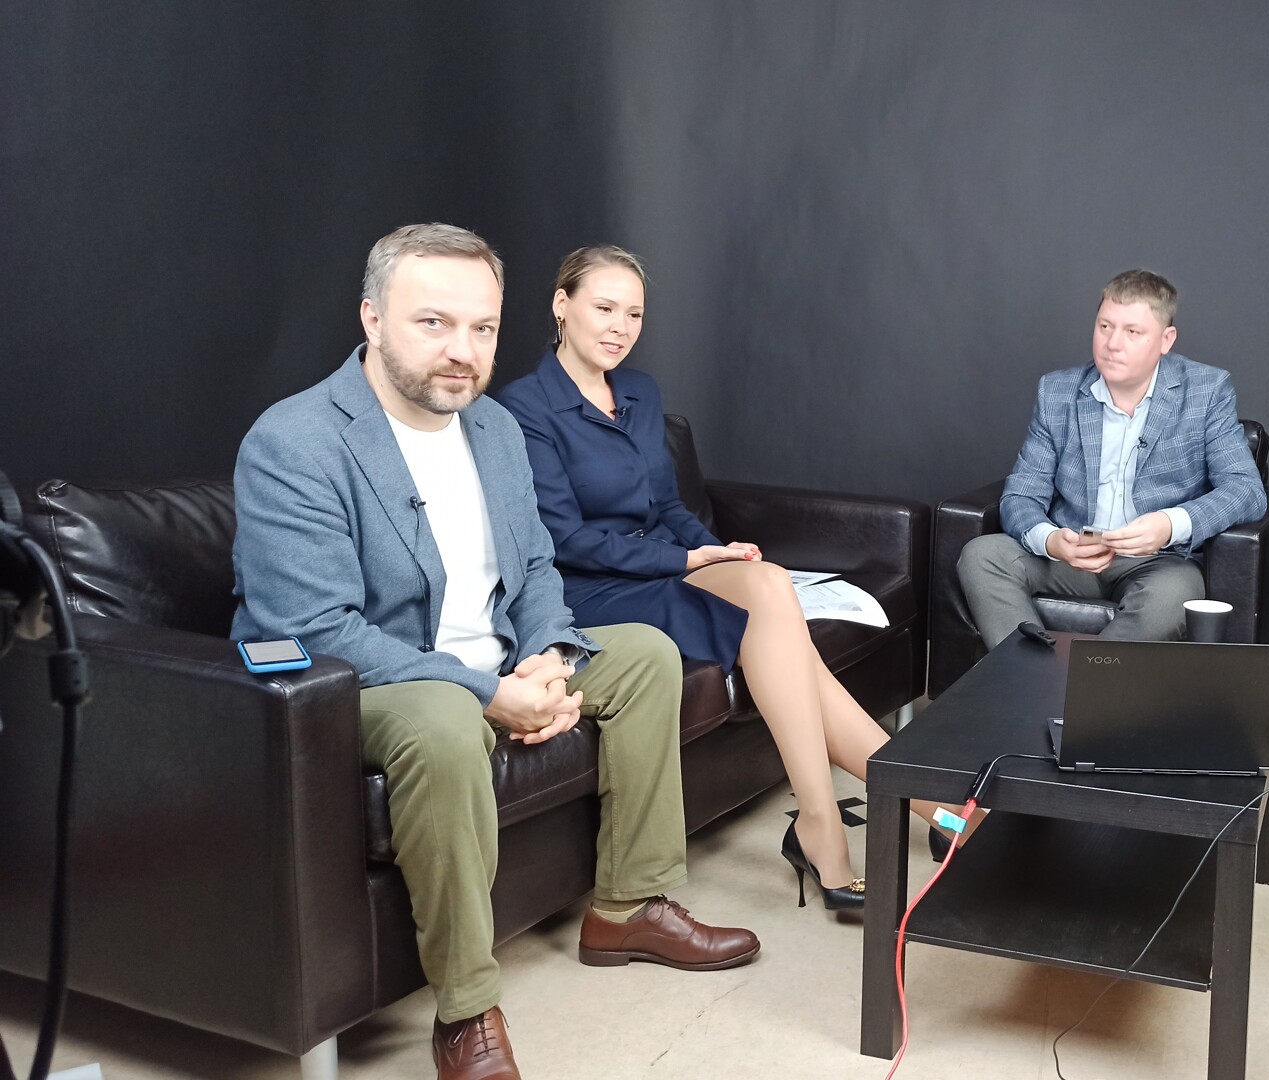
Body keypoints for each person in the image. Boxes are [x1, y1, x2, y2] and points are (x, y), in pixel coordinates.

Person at [231, 224, 758, 1080]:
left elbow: (537, 568)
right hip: (369, 680)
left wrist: (550, 650)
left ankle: (628, 906)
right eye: (433, 323)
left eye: (482, 328)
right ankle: (467, 1010)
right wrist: (486, 691)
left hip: (495, 659)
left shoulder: (495, 429)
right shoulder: (297, 441)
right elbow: (316, 630)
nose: (462, 350)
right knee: (445, 723)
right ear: (371, 318)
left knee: (644, 656)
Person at [494, 246, 962, 914]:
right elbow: (563, 539)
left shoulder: (639, 391)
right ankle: (908, 814)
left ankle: (848, 820)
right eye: (604, 308)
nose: (620, 327)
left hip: (660, 567)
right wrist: (689, 564)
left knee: (766, 583)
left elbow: (667, 506)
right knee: (776, 617)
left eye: (634, 314)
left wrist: (716, 551)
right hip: (588, 588)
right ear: (561, 305)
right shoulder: (524, 408)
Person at [958, 269, 1266, 649]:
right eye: (1105, 327)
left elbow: (1246, 489)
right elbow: (1021, 495)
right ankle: (1030, 673)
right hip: (1072, 557)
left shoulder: (1206, 391)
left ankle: (1085, 682)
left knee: (1173, 596)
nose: (1113, 344)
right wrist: (1052, 540)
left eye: (1132, 332)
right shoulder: (1057, 391)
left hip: (1158, 561)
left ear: (1166, 340)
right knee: (981, 555)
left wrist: (1169, 524)